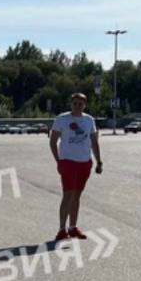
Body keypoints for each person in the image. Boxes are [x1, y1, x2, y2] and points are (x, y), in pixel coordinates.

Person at [48, 92, 102, 240]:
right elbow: (53, 142)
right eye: (75, 103)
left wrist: (99, 161)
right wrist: (58, 160)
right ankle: (61, 229)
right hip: (68, 162)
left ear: (85, 105)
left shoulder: (89, 120)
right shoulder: (62, 119)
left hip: (85, 162)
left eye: (81, 104)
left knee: (77, 195)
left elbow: (94, 142)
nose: (78, 106)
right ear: (70, 104)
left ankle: (72, 227)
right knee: (67, 195)